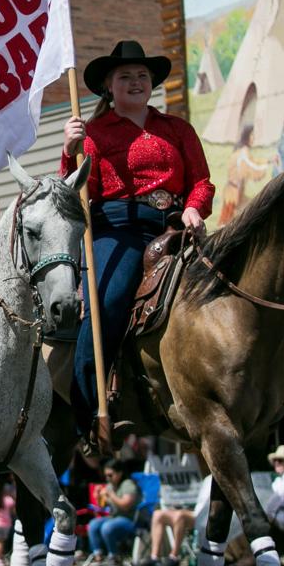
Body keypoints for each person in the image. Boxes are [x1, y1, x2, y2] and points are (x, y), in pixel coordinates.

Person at [60, 41, 214, 449]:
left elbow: (201, 180)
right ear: (109, 87)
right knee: (105, 306)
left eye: (142, 76)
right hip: (118, 229)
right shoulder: (93, 134)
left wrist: (195, 208)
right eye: (125, 76)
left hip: (175, 228)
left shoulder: (177, 128)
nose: (135, 82)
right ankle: (90, 412)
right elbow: (75, 194)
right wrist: (69, 151)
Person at [84, 459, 142, 566]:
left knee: (107, 527)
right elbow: (101, 507)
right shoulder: (110, 486)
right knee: (93, 525)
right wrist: (98, 497)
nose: (108, 479)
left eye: (110, 475)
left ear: (119, 473)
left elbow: (125, 505)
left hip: (129, 519)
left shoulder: (127, 484)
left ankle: (114, 556)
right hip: (114, 517)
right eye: (106, 476)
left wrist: (111, 495)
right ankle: (98, 556)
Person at [217, 126, 272, 225]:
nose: (253, 138)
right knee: (228, 225)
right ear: (247, 136)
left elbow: (253, 162)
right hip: (233, 196)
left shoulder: (242, 150)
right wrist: (266, 165)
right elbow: (252, 168)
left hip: (236, 193)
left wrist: (268, 161)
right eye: (252, 135)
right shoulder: (243, 152)